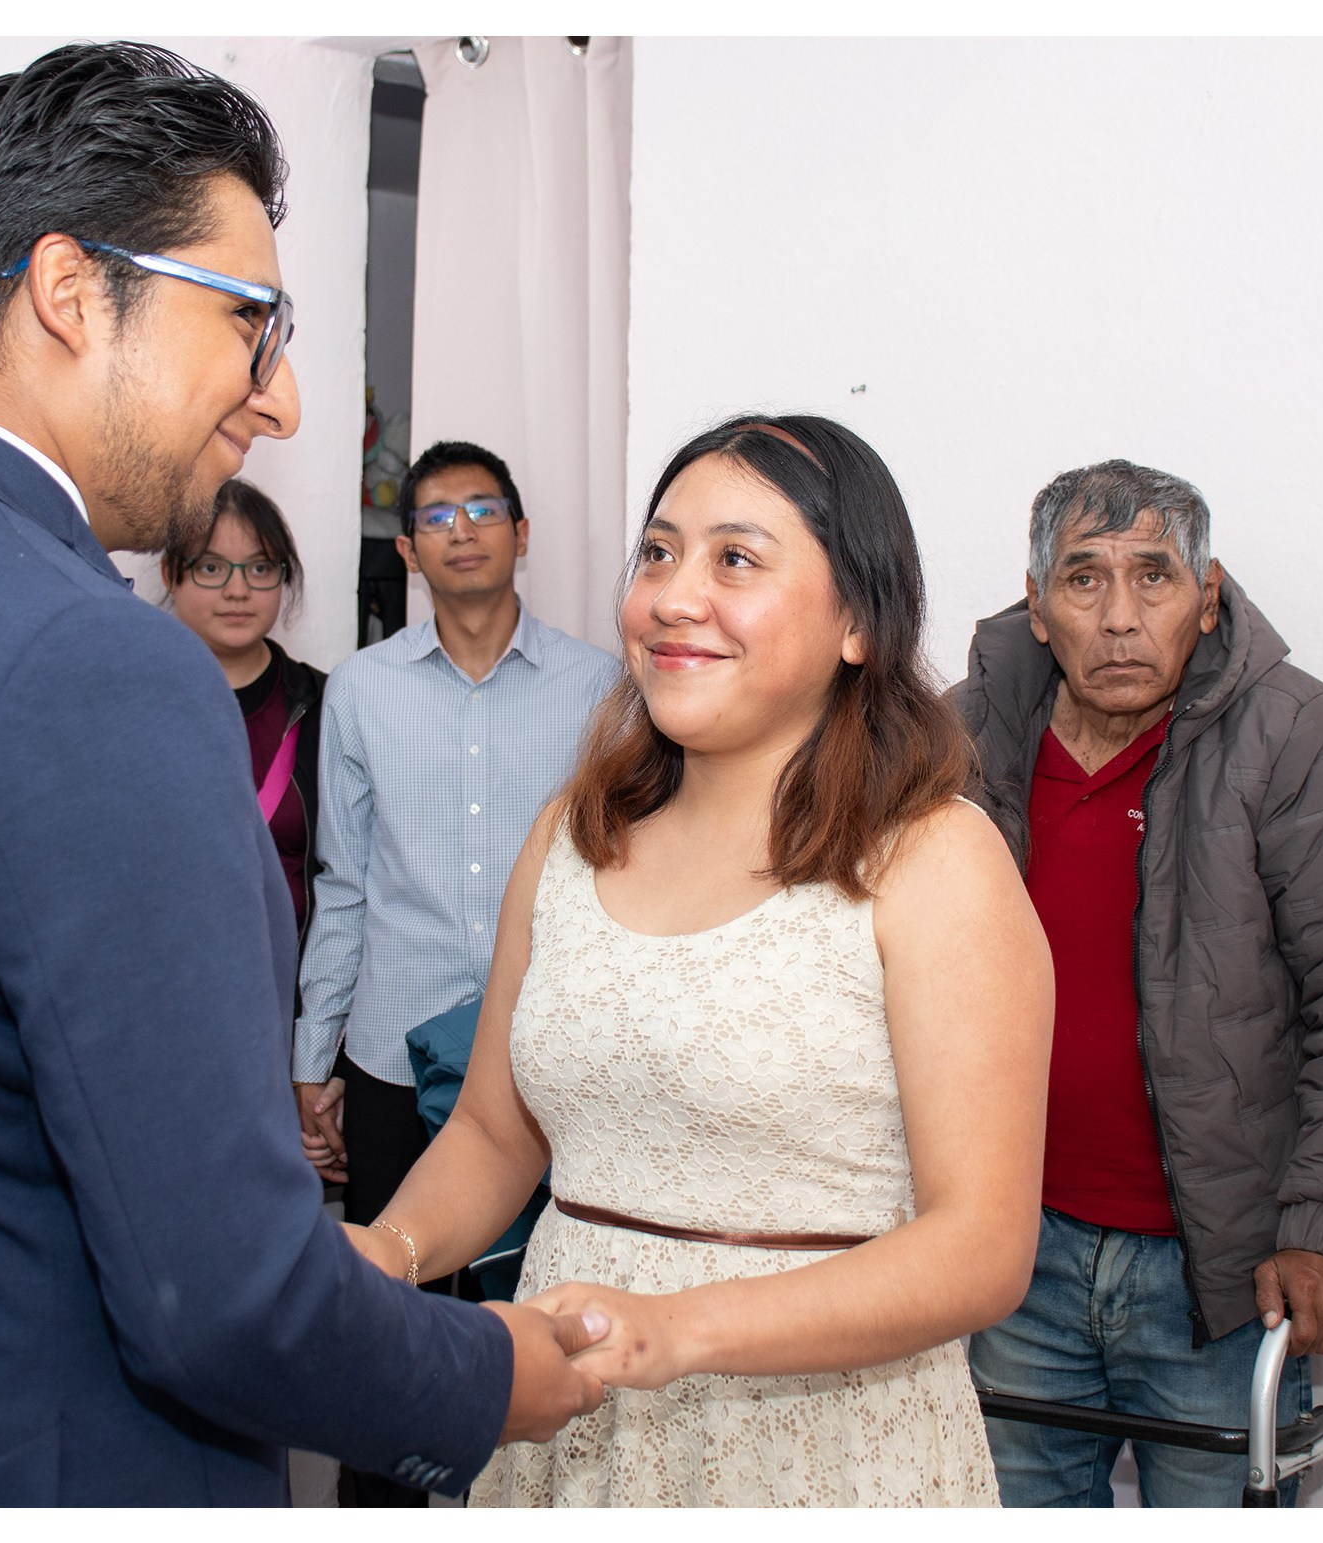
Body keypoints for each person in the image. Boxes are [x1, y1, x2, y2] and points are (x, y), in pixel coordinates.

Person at [0, 43, 604, 1507]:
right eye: (251, 322)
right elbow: (222, 1298)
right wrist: (488, 1374)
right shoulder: (93, 664)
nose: (282, 400)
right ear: (71, 292)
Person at [348, 414, 1056, 1506]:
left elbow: (981, 1247)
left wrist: (678, 1330)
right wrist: (385, 1252)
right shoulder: (573, 836)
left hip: (821, 1451)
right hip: (572, 1427)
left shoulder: (932, 859)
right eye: (659, 552)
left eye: (735, 559)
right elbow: (494, 1131)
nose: (675, 597)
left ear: (857, 621)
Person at [953, 459, 1323, 1507]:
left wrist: (1322, 1229)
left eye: (1154, 577)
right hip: (1008, 1254)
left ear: (1206, 597)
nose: (1120, 617)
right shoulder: (964, 739)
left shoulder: (1293, 734)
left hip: (1218, 1278)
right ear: (1037, 606)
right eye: (1084, 579)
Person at [289, 438, 619, 1505]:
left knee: (543, 1335)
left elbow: (620, 868)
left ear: (523, 534)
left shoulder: (600, 687)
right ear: (407, 551)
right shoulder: (361, 690)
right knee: (385, 1336)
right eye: (437, 516)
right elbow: (343, 882)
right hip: (393, 1055)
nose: (462, 531)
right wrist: (314, 1056)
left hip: (545, 1060)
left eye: (483, 510)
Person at [161, 478, 324, 959]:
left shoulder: (325, 703)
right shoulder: (132, 702)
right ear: (172, 574)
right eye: (211, 567)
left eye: (260, 568)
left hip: (290, 985)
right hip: (165, 976)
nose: (238, 590)